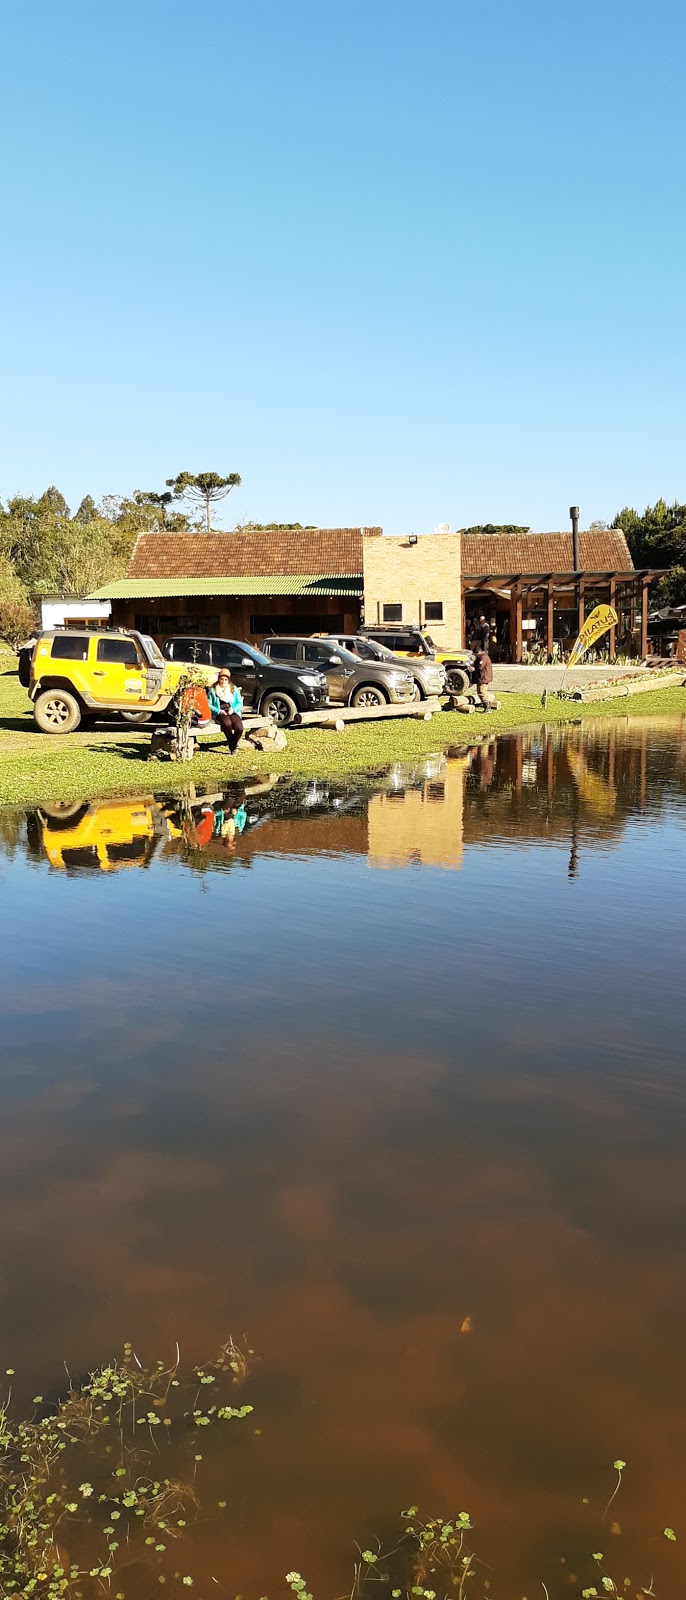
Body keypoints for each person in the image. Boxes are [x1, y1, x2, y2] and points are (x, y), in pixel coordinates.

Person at [208, 670, 244, 753]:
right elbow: (209, 704)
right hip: (220, 712)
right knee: (227, 725)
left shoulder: (233, 688)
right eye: (222, 679)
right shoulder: (213, 690)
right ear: (218, 679)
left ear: (228, 680)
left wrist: (233, 709)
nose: (223, 681)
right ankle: (233, 746)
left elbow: (239, 702)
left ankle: (232, 744)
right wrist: (218, 711)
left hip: (232, 711)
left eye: (225, 679)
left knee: (239, 728)